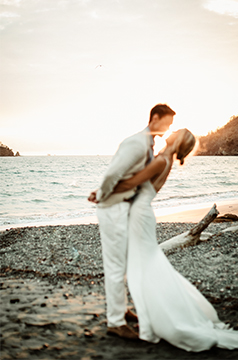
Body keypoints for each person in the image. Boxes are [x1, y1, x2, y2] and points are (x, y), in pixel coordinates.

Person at [110, 128, 238, 351]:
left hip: (138, 214)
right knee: (145, 262)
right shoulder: (165, 160)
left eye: (177, 132)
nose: (171, 132)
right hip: (142, 212)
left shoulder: (161, 160)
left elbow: (129, 185)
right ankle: (136, 308)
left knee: (143, 264)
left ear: (178, 140)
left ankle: (158, 313)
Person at [88, 103, 175, 340]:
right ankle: (115, 322)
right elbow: (112, 174)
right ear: (154, 118)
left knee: (123, 262)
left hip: (122, 206)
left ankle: (121, 310)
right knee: (116, 265)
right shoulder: (136, 143)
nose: (168, 128)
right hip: (113, 208)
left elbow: (127, 177)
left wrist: (100, 192)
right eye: (167, 123)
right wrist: (103, 195)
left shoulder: (148, 145)